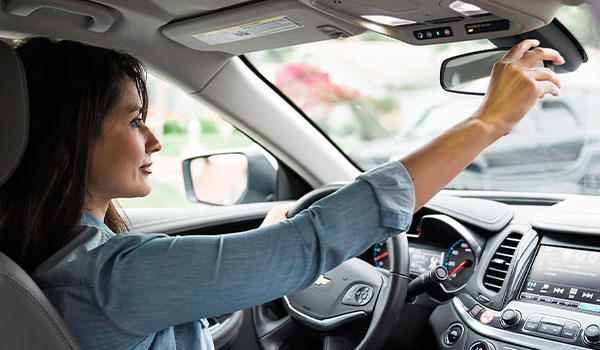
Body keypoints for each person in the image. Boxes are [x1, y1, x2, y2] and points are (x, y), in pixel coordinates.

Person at [0, 37, 563, 349]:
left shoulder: (47, 256)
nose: (152, 139)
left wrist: (270, 243)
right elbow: (307, 247)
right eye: (133, 121)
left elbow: (286, 249)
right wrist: (489, 122)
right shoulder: (113, 277)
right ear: (69, 138)